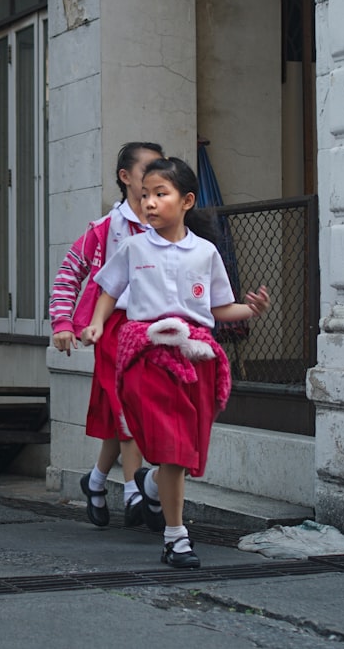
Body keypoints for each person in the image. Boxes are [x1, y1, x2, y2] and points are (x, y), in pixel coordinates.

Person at [82, 157, 269, 568]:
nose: (149, 202)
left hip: (196, 356)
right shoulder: (133, 247)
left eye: (159, 194)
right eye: (144, 194)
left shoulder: (205, 252)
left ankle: (149, 483)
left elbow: (220, 308)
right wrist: (96, 324)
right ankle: (176, 537)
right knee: (168, 446)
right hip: (146, 354)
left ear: (185, 201)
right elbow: (109, 291)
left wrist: (250, 310)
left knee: (182, 453)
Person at [49, 141, 164, 528]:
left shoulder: (166, 223)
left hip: (158, 330)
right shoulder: (105, 229)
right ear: (125, 177)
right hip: (114, 328)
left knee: (127, 411)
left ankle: (96, 481)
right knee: (130, 404)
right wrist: (63, 323)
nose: (153, 177)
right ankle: (135, 491)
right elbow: (68, 274)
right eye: (147, 169)